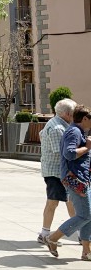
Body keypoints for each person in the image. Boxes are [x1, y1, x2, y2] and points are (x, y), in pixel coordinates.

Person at [44, 105, 91, 259]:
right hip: (75, 179)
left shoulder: (78, 131)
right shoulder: (74, 132)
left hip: (82, 178)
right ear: (84, 118)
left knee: (88, 215)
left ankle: (86, 251)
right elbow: (69, 154)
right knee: (84, 215)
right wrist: (87, 147)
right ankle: (53, 238)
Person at [38, 98, 77, 244]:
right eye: (74, 114)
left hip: (57, 170)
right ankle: (44, 234)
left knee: (70, 201)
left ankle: (79, 233)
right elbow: (62, 153)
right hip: (55, 172)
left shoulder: (57, 123)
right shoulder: (58, 129)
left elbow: (41, 134)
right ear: (67, 114)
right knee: (53, 202)